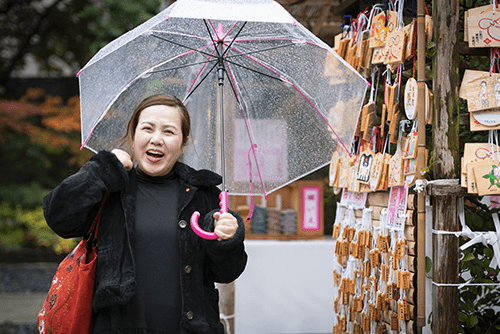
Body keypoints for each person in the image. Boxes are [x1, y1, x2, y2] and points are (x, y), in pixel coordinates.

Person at [43, 95, 248, 334]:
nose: (156, 139)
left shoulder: (204, 194)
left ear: (183, 143)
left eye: (169, 132)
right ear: (133, 136)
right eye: (147, 128)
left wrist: (228, 239)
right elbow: (58, 217)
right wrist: (103, 169)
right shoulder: (111, 188)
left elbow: (227, 272)